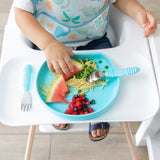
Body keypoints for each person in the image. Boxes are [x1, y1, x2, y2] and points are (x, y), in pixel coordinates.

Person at [13, 0, 157, 141]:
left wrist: (139, 13)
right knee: (50, 80)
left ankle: (93, 109)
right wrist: (48, 43)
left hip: (94, 41)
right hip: (50, 44)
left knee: (104, 81)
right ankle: (61, 107)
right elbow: (21, 12)